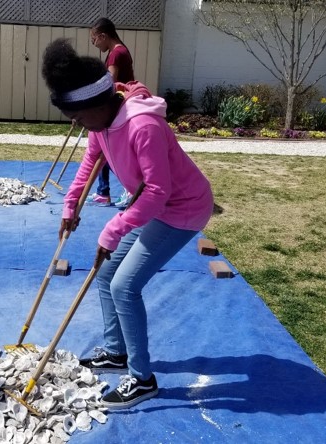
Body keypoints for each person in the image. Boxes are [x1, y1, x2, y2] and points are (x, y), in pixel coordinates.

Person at [43, 39, 214, 409]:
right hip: (153, 205)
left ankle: (142, 379)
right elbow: (89, 165)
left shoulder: (142, 125)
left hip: (182, 208)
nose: (76, 123)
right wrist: (70, 206)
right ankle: (116, 352)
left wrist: (113, 228)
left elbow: (157, 190)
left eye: (78, 115)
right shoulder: (100, 125)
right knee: (105, 274)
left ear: (97, 104)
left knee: (124, 285)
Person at [88, 17, 135, 207]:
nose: (94, 43)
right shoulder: (120, 51)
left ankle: (132, 188)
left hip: (117, 109)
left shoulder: (117, 54)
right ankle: (103, 191)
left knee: (110, 151)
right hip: (117, 107)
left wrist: (93, 106)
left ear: (103, 36)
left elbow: (111, 84)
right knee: (104, 150)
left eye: (94, 39)